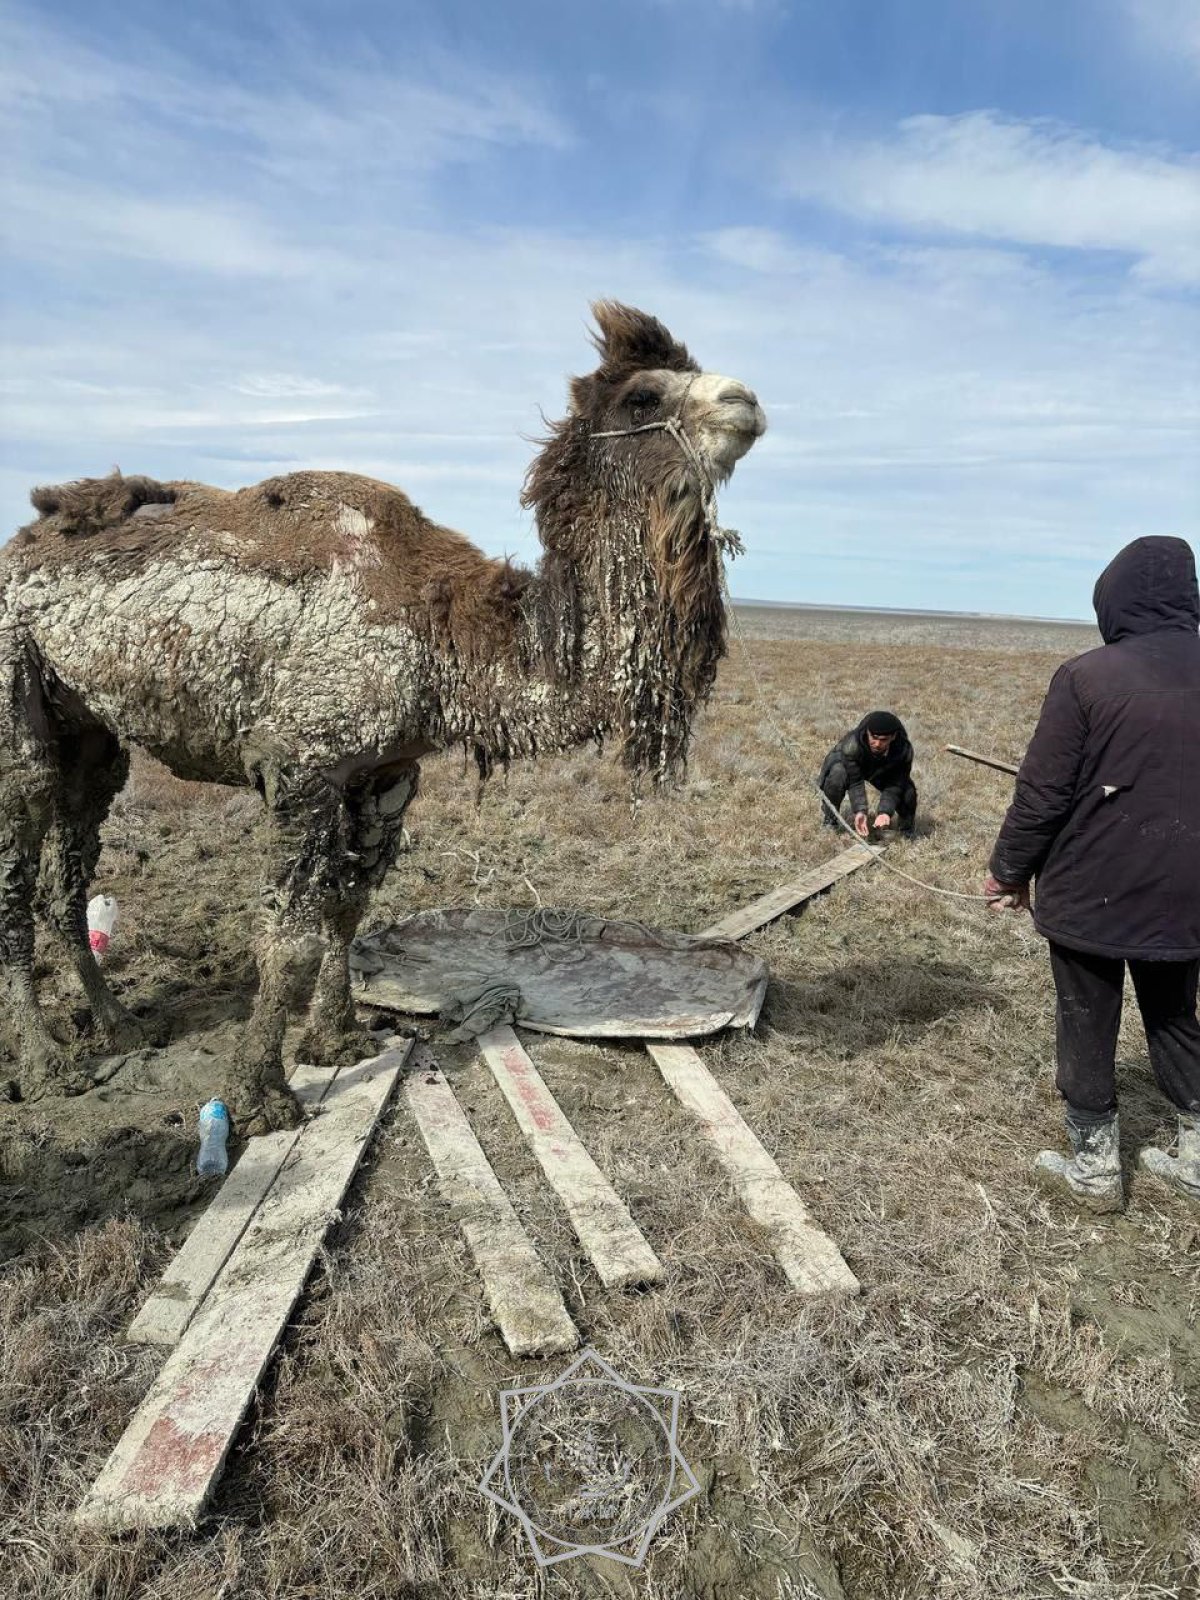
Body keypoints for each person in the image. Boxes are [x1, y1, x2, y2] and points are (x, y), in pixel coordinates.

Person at [986, 536, 1200, 1212]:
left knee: (1087, 1015)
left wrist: (1009, 871)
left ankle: (1097, 1170)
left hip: (1093, 891)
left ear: (1113, 600)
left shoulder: (1086, 676)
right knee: (1173, 1012)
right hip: (1188, 894)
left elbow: (1043, 793)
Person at [818, 711, 917, 838]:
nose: (877, 744)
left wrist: (885, 812)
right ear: (867, 733)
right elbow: (855, 781)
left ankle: (906, 831)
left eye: (883, 740)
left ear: (893, 737)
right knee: (837, 774)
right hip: (855, 767)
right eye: (874, 737)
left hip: (883, 770)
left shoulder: (904, 751)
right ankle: (830, 821)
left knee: (908, 790)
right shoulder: (851, 745)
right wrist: (860, 811)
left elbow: (896, 784)